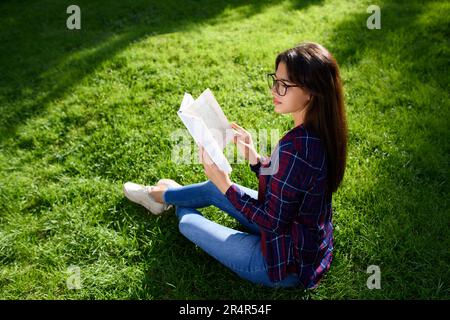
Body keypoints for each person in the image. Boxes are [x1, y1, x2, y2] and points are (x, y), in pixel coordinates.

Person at [123, 42, 348, 289]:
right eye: (275, 80)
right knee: (212, 188)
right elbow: (289, 186)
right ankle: (159, 196)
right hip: (301, 236)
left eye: (284, 85)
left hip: (284, 262)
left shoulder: (298, 149)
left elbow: (271, 222)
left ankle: (173, 199)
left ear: (311, 92)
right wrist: (255, 159)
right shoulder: (319, 132)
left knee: (188, 223)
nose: (274, 90)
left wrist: (226, 185)